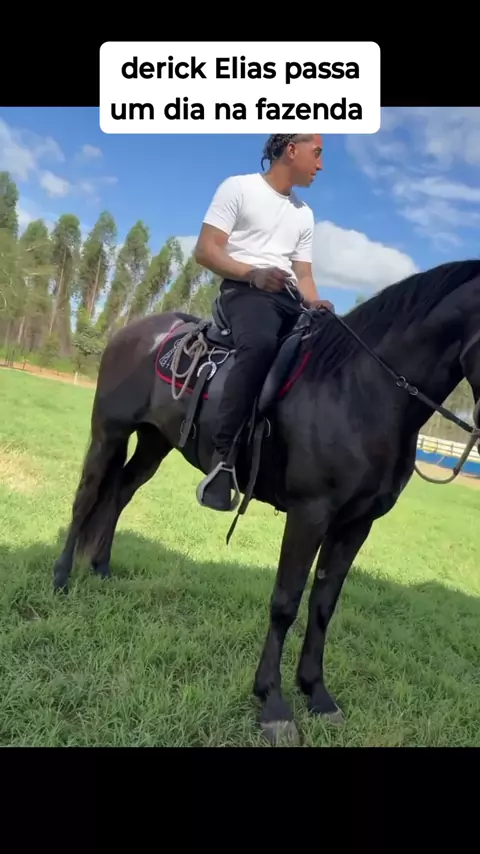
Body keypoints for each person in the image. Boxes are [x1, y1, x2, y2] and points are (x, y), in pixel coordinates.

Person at [193, 133, 334, 512]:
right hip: (244, 291)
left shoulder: (304, 213)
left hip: (289, 299)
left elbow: (303, 275)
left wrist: (315, 301)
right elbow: (205, 250)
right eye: (317, 154)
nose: (321, 165)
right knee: (260, 346)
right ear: (292, 150)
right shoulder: (239, 188)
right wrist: (253, 274)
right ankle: (222, 457)